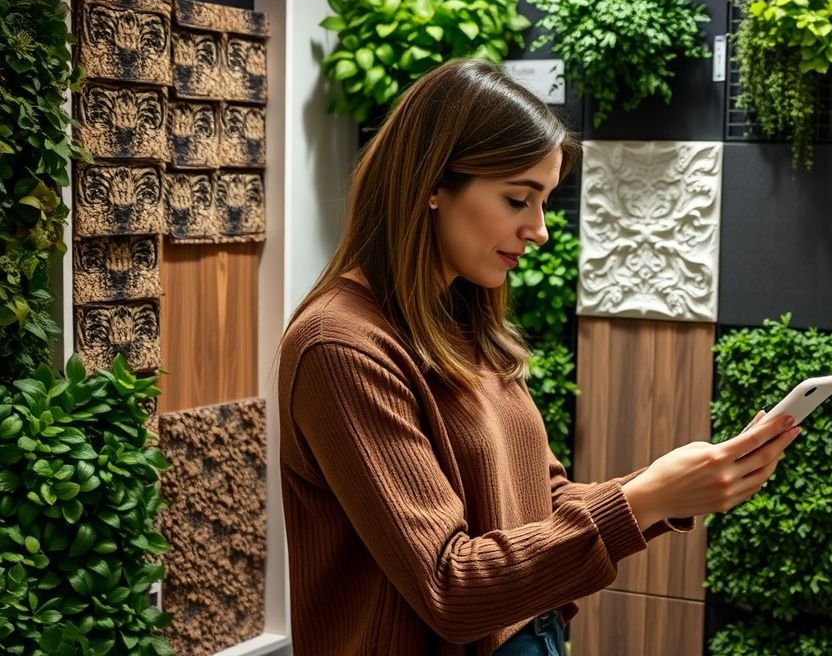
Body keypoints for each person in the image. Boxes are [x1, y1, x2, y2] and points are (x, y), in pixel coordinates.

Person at [277, 59, 802, 656]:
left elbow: (541, 505)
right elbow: (450, 588)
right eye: (518, 199)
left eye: (544, 201)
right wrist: (647, 497)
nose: (540, 229)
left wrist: (674, 487)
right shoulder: (341, 347)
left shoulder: (460, 323)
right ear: (430, 185)